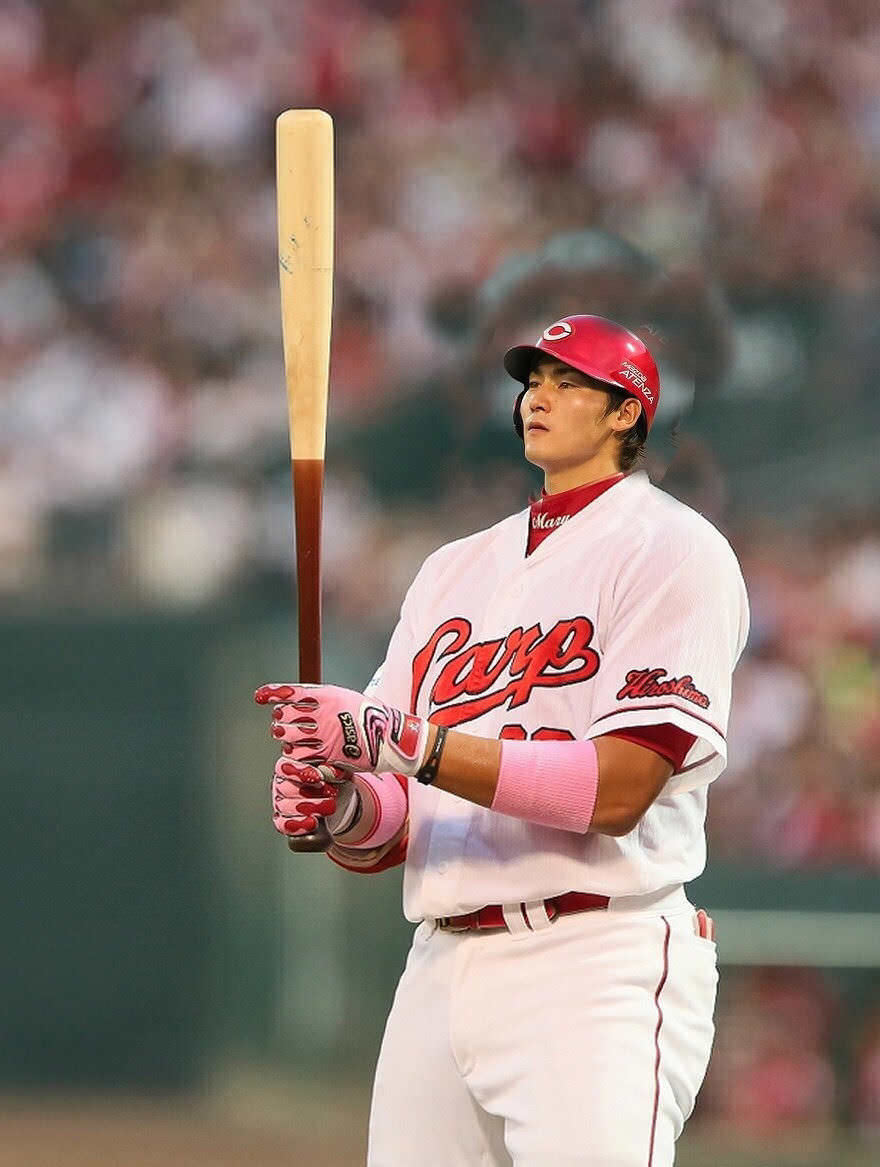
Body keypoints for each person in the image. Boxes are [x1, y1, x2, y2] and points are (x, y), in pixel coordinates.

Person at [255, 314, 749, 1166]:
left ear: (627, 411)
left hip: (594, 955)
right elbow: (398, 813)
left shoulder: (673, 548)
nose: (538, 397)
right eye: (533, 381)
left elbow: (617, 790)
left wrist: (404, 742)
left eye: (568, 382)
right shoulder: (452, 568)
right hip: (441, 960)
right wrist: (339, 805)